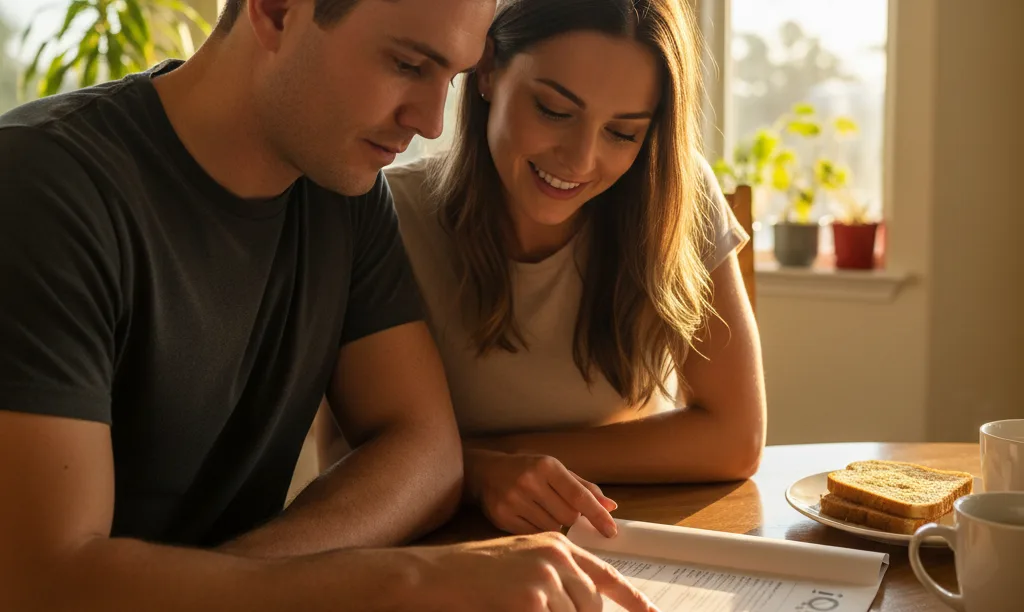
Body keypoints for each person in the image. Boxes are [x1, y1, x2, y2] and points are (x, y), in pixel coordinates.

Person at [0, 0, 657, 610]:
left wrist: (238, 584)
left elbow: (425, 452)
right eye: (406, 65)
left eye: (451, 77)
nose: (430, 121)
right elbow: (42, 582)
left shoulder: (342, 189)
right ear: (279, 10)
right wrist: (411, 578)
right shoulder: (40, 188)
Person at [372, 0, 767, 537]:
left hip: (618, 537)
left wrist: (498, 459)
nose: (580, 161)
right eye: (555, 110)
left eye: (622, 133)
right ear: (487, 70)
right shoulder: (385, 216)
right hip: (429, 549)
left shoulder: (672, 197)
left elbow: (735, 439)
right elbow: (361, 457)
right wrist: (481, 475)